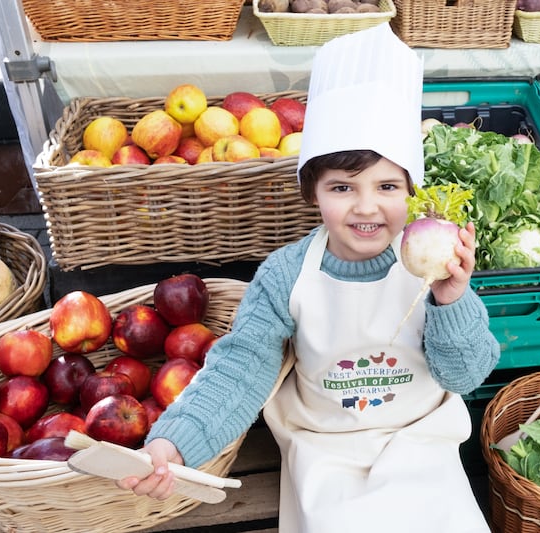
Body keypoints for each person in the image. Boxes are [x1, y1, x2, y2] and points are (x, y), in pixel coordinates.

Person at [117, 24, 500, 532]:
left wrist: (452, 301)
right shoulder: (285, 275)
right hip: (326, 450)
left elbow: (466, 375)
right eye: (342, 187)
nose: (366, 206)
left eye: (387, 185)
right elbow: (240, 369)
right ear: (311, 192)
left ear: (411, 189)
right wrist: (173, 443)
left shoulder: (434, 265)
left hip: (422, 442)